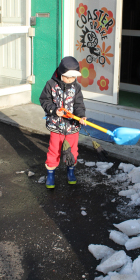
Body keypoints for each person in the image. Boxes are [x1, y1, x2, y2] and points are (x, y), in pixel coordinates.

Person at [39, 56, 87, 189]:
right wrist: (54, 110)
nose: (71, 80)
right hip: (56, 125)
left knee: (72, 150)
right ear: (61, 73)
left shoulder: (76, 87)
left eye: (73, 77)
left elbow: (79, 104)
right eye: (68, 77)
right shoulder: (51, 85)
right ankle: (50, 174)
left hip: (72, 126)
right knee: (54, 150)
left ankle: (70, 171)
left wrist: (81, 116)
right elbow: (44, 100)